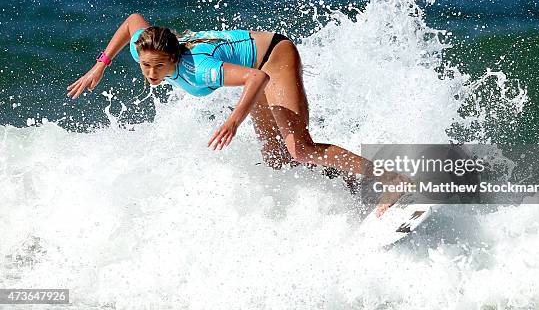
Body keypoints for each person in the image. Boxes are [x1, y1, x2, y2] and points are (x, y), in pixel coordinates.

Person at [67, 13, 408, 216]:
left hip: (272, 57)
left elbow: (258, 78)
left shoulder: (199, 69)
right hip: (250, 69)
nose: (152, 73)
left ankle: (392, 180)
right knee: (277, 160)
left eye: (160, 66)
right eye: (146, 66)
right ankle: (349, 177)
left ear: (173, 58)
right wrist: (100, 66)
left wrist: (233, 121)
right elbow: (132, 22)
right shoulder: (148, 44)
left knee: (299, 148)